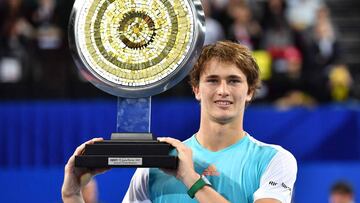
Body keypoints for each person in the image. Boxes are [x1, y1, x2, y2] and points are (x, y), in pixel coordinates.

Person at [61, 41, 297, 203]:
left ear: (250, 92)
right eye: (213, 81)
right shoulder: (153, 169)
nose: (223, 90)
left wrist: (191, 179)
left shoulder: (275, 160)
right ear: (196, 89)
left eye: (234, 81)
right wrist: (73, 195)